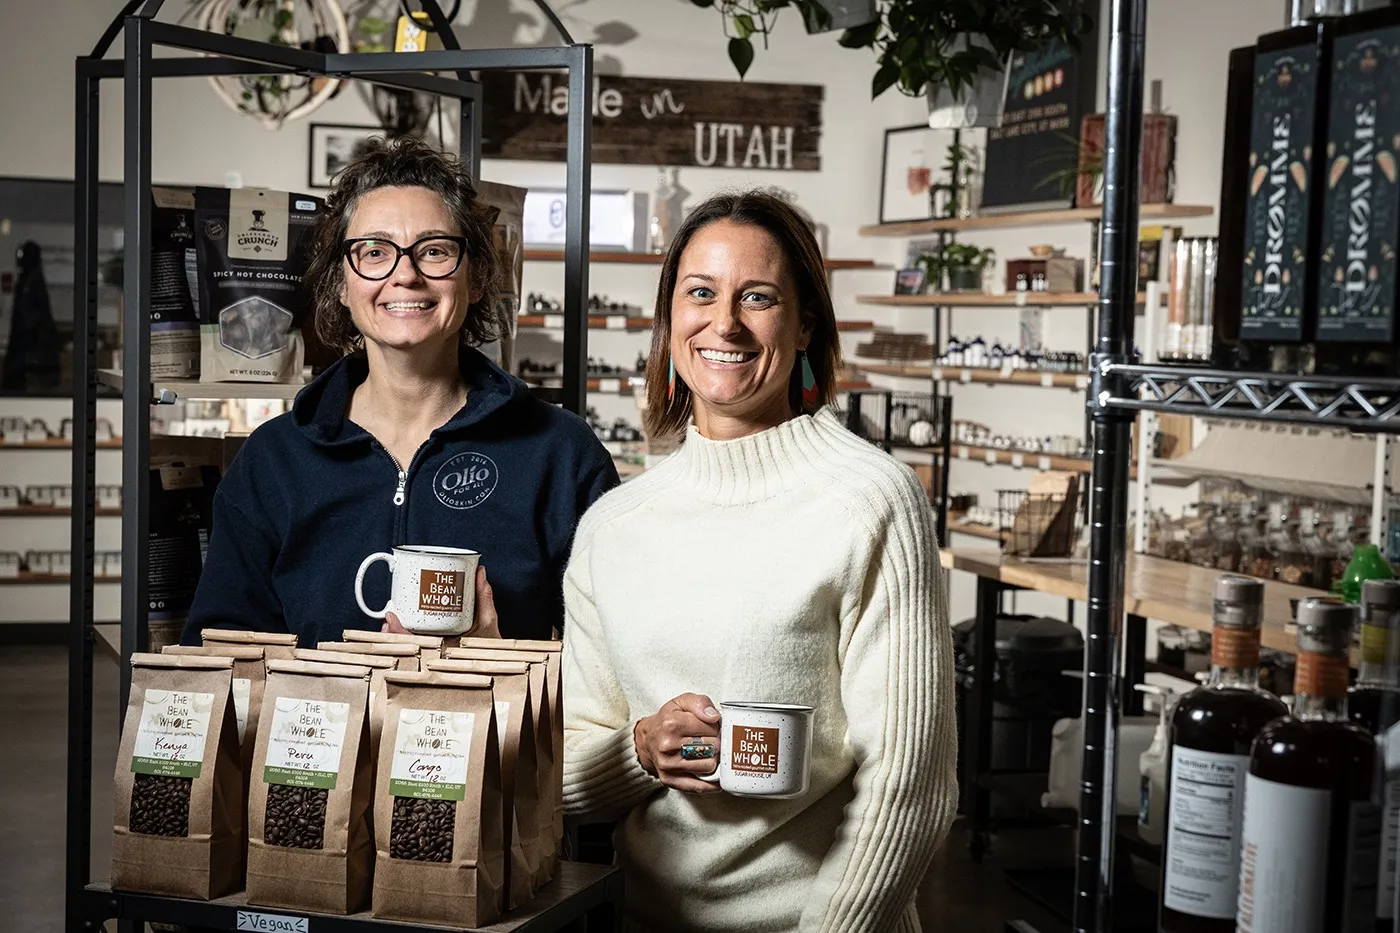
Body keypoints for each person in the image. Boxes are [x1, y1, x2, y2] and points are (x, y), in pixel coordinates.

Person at [561, 190, 957, 932]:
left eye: (759, 297)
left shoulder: (870, 500)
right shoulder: (613, 527)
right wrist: (639, 748)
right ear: (670, 319)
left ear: (805, 322)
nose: (725, 323)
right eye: (700, 293)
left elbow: (909, 787)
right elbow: (567, 775)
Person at [184, 136, 617, 646]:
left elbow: (611, 668)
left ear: (475, 278)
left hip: (498, 728)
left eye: (434, 251)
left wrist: (497, 661)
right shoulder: (275, 461)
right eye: (374, 252)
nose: (405, 275)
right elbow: (220, 653)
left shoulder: (560, 454)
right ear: (341, 285)